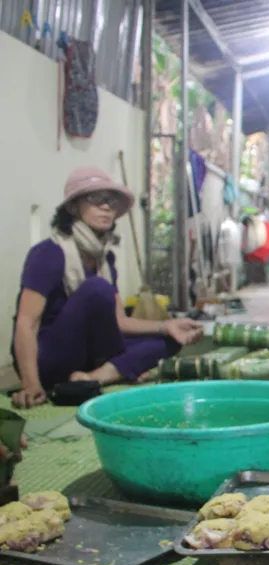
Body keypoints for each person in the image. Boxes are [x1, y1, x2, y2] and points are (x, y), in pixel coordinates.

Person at [10, 167, 203, 409]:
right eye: (95, 199)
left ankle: (95, 377)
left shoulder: (105, 259)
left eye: (111, 201)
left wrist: (167, 326)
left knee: (170, 341)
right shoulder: (49, 254)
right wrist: (30, 383)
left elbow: (119, 321)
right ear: (72, 208)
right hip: (48, 356)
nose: (106, 207)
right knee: (97, 289)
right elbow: (26, 323)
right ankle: (117, 369)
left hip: (89, 356)